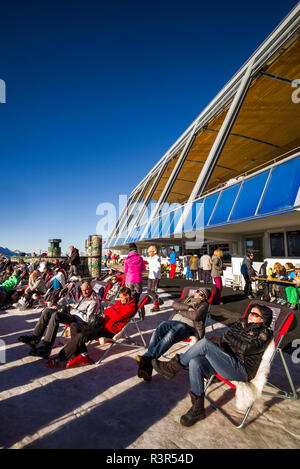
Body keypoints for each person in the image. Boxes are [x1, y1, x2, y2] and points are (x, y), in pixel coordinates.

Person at [152, 303, 273, 427]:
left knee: (204, 343)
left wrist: (231, 340)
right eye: (250, 313)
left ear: (263, 319)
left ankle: (173, 366)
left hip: (241, 370)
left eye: (254, 314)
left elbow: (246, 348)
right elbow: (226, 338)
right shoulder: (241, 323)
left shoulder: (265, 334)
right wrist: (232, 341)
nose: (250, 316)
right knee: (196, 362)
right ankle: (197, 410)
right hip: (227, 360)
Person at [46, 286, 136, 368]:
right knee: (74, 326)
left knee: (82, 335)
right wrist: (113, 311)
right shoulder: (121, 303)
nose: (119, 299)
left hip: (108, 330)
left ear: (127, 296)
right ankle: (82, 354)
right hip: (100, 323)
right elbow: (107, 310)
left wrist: (113, 311)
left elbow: (116, 317)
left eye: (121, 297)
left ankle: (60, 357)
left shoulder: (130, 307)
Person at [136, 288, 210, 382]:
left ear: (204, 298)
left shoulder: (204, 304)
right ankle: (147, 368)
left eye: (202, 295)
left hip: (188, 327)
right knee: (159, 328)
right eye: (198, 292)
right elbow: (174, 304)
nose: (199, 294)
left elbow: (195, 316)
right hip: (173, 321)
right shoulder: (187, 298)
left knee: (171, 334)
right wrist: (187, 308)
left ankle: (146, 359)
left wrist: (180, 310)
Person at [18, 282, 98, 359]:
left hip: (77, 320)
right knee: (47, 311)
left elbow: (87, 319)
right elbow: (78, 307)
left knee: (56, 315)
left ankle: (46, 347)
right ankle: (35, 338)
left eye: (86, 290)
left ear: (90, 288)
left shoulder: (93, 301)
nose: (84, 292)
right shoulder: (83, 296)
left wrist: (72, 310)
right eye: (83, 290)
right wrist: (68, 307)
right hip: (72, 314)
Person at [147, 245, 162, 312]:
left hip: (155, 276)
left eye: (150, 252)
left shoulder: (157, 258)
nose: (149, 253)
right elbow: (151, 266)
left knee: (153, 290)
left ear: (153, 251)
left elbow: (158, 267)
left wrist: (155, 275)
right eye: (148, 252)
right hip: (150, 276)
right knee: (149, 291)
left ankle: (156, 305)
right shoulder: (150, 258)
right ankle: (158, 300)